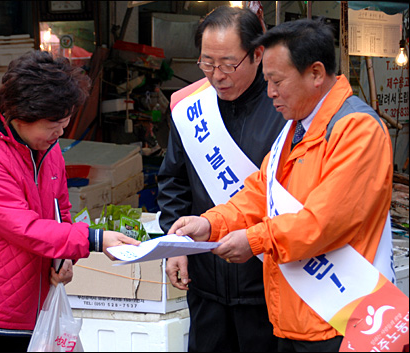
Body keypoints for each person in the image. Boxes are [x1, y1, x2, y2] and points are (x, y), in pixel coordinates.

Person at [168, 18, 394, 352]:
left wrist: (255, 240)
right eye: (268, 81)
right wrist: (209, 223)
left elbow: (323, 222)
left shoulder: (357, 130)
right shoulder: (296, 126)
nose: (270, 91)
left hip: (339, 319)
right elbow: (259, 193)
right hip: (293, 318)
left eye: (276, 80)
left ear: (315, 74)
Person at [0, 50, 140, 352]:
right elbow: (22, 227)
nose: (61, 131)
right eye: (53, 124)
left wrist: (65, 258)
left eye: (65, 122)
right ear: (19, 112)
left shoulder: (48, 148)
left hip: (30, 315)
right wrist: (95, 239)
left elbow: (60, 214)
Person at [157, 6, 285, 352]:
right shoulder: (190, 109)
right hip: (206, 282)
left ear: (257, 54)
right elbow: (173, 181)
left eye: (229, 64)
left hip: (266, 286)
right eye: (207, 63)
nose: (217, 75)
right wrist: (174, 246)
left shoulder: (284, 109)